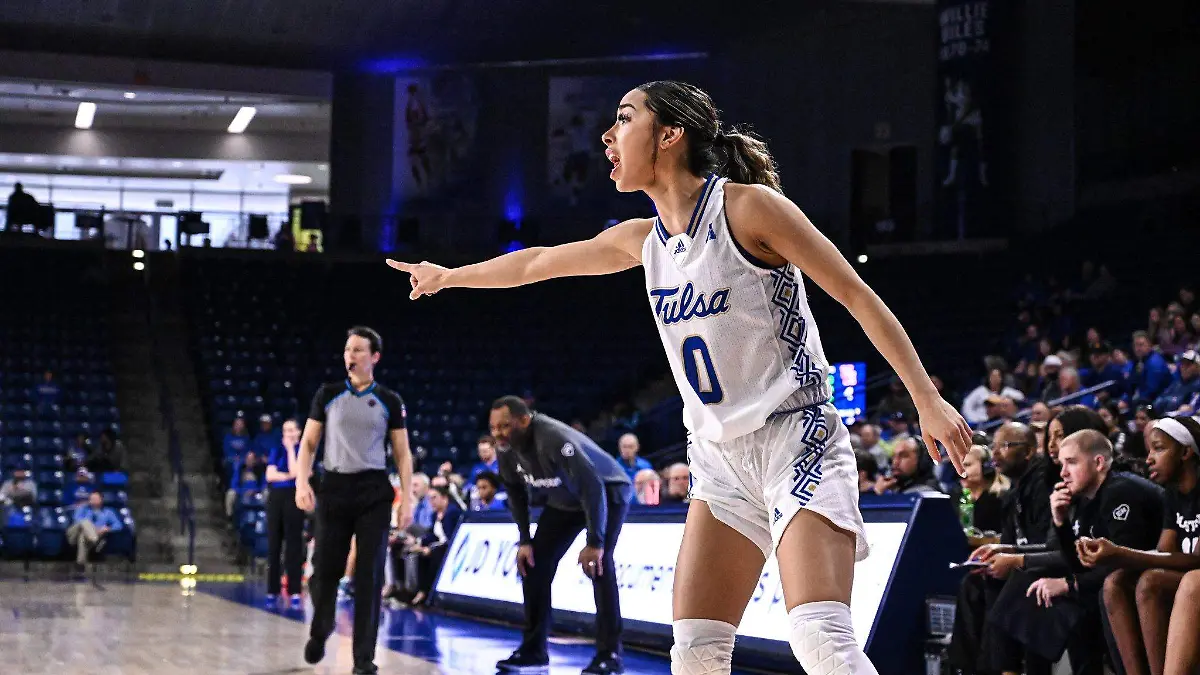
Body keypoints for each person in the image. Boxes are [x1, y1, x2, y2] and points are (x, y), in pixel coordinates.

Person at [388, 80, 971, 675]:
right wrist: (450, 275)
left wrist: (924, 397)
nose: (607, 135)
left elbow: (854, 293)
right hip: (717, 458)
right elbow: (537, 262)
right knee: (694, 653)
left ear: (670, 135)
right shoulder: (643, 241)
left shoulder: (749, 208)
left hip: (797, 437)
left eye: (623, 118)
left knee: (822, 640)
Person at [988, 430, 1163, 675]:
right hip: (1111, 581)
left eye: (1071, 462)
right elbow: (1077, 561)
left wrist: (1069, 584)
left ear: (1099, 463)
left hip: (1142, 581)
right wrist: (1061, 523)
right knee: (1029, 588)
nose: (1063, 473)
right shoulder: (1084, 498)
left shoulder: (1122, 491)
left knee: (1086, 598)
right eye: (1061, 464)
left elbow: (1122, 563)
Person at [293, 326, 413, 675]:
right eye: (348, 349)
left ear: (374, 357)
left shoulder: (390, 400)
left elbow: (403, 455)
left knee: (369, 575)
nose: (351, 355)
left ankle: (364, 660)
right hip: (334, 488)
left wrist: (406, 501)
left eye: (359, 350)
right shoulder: (327, 394)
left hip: (373, 491)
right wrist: (303, 481)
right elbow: (309, 445)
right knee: (324, 572)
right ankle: (321, 627)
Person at [490, 395, 634, 674]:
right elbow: (515, 493)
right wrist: (524, 540)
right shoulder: (505, 449)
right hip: (565, 500)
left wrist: (595, 542)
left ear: (524, 420)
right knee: (533, 565)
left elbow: (592, 487)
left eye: (504, 426)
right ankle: (533, 650)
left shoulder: (552, 438)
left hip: (608, 491)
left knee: (600, 567)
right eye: (494, 427)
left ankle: (610, 655)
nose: (498, 433)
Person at [1078, 417, 1200, 675]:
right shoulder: (1172, 494)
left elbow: (1196, 560)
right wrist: (1115, 558)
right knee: (1115, 582)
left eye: (1159, 448)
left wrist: (1120, 553)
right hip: (1186, 577)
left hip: (1195, 577)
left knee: (1152, 581)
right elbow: (1164, 552)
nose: (1149, 459)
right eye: (1149, 450)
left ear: (1186, 452)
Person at [265, 419, 306, 609]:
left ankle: (295, 590)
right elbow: (269, 475)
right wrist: (289, 475)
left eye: (291, 430)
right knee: (274, 543)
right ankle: (272, 590)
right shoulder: (276, 449)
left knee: (294, 544)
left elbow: (297, 471)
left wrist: (291, 450)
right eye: (285, 430)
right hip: (276, 497)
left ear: (298, 432)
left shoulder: (303, 450)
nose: (287, 434)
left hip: (294, 497)